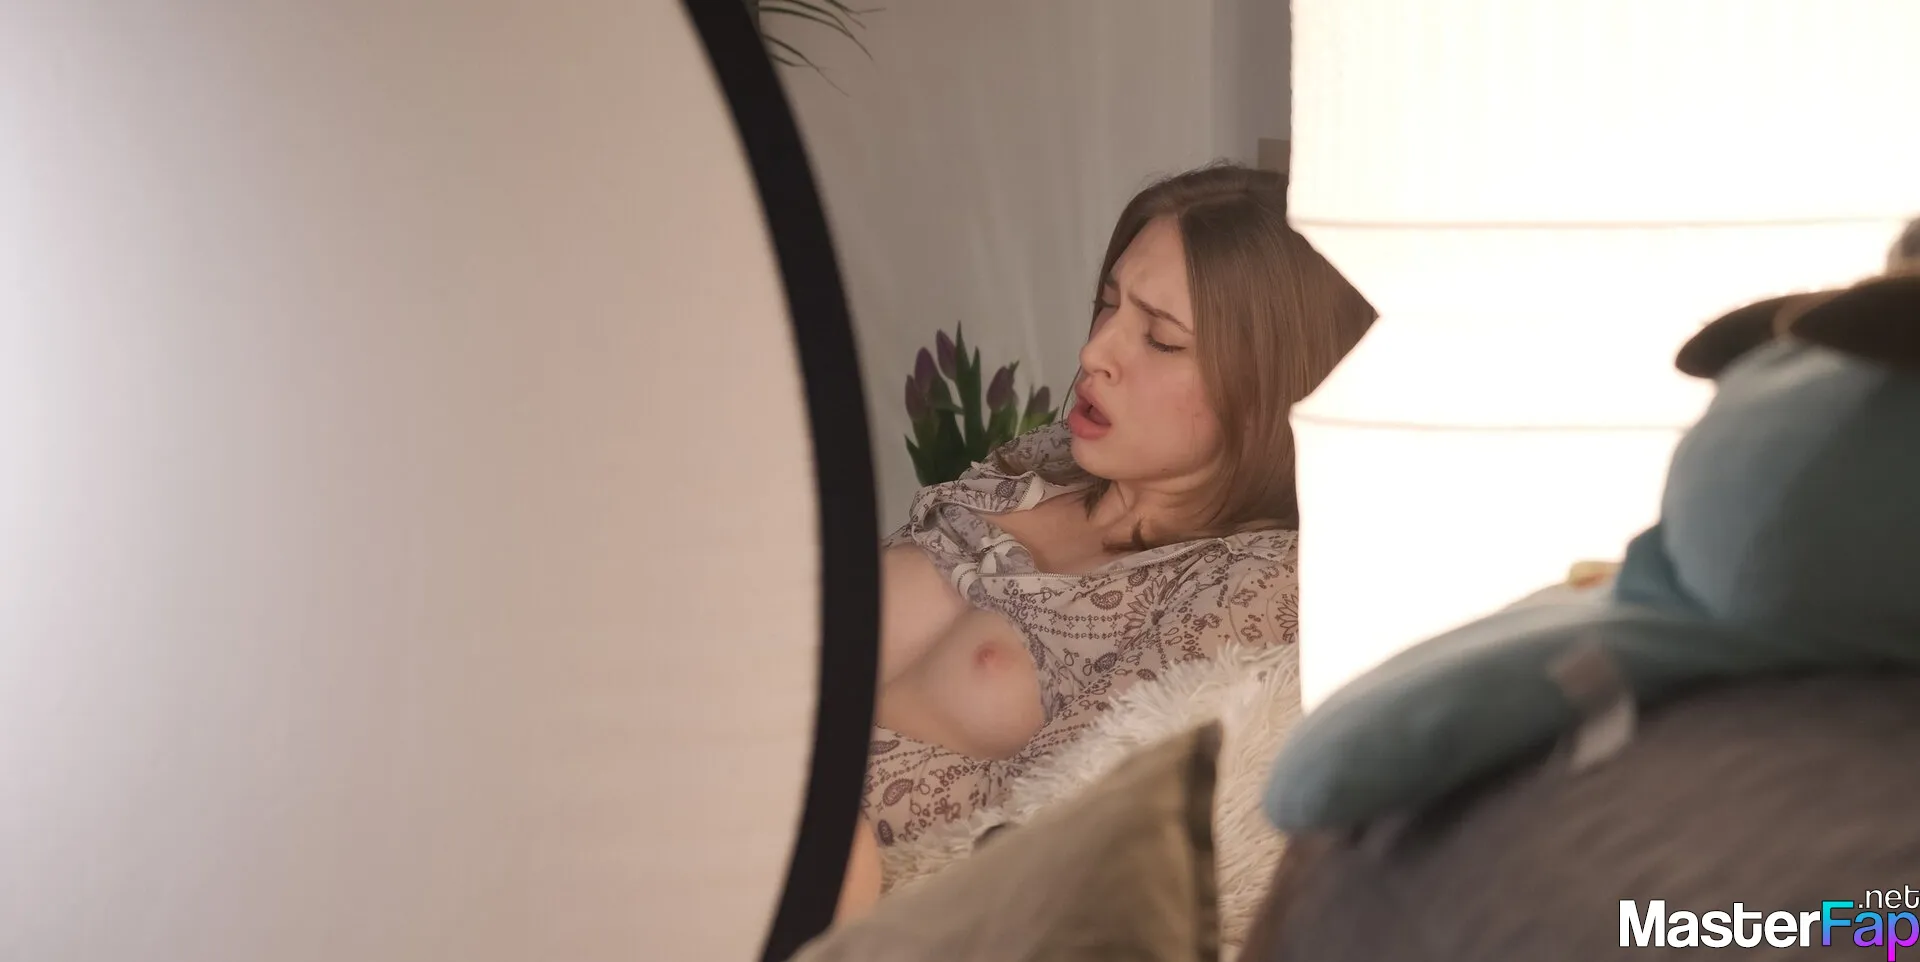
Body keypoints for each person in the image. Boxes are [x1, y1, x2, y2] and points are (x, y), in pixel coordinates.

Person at [838, 162, 1377, 915]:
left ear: (1266, 387)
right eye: (1108, 305)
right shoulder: (1036, 465)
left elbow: (1052, 842)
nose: (1095, 354)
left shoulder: (1253, 586)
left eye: (1160, 339)